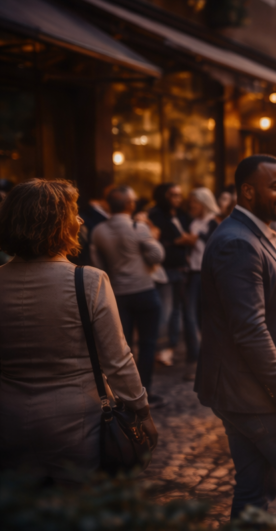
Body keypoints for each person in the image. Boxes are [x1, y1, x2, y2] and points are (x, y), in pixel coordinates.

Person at [195, 154, 276, 531]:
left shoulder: (254, 234)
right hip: (259, 395)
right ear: (248, 192)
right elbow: (249, 330)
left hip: (248, 391)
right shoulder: (237, 242)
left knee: (254, 489)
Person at [0, 179, 158, 485]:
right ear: (57, 223)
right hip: (76, 424)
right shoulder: (88, 281)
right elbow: (118, 360)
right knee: (78, 515)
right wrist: (141, 411)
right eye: (74, 213)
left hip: (8, 421)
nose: (81, 220)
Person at [90, 186, 166, 394]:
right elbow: (157, 256)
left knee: (123, 348)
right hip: (144, 291)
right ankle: (145, 390)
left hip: (117, 295)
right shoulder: (138, 227)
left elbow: (98, 265)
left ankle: (125, 393)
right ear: (129, 204)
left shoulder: (98, 231)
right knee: (148, 344)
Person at [149, 183, 197, 367]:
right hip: (165, 269)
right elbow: (158, 243)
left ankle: (170, 348)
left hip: (181, 268)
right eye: (173, 195)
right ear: (164, 196)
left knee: (176, 311)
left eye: (179, 195)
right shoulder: (155, 215)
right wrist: (179, 241)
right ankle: (160, 349)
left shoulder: (182, 215)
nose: (178, 199)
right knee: (165, 310)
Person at [183, 187, 221, 379]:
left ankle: (205, 360)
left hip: (207, 273)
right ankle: (197, 359)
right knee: (192, 317)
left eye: (195, 202)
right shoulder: (195, 221)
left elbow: (215, 245)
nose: (192, 205)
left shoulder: (214, 221)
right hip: (193, 272)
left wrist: (196, 239)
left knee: (203, 317)